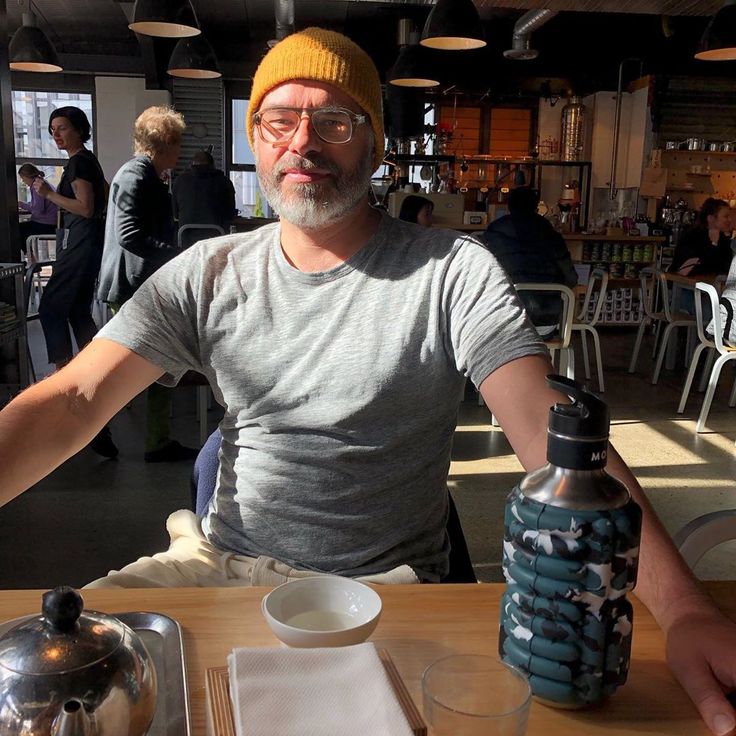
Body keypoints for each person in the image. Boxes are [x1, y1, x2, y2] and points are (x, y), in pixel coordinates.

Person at [1, 29, 736, 736]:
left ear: (377, 146)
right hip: (217, 563)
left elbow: (551, 437)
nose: (303, 142)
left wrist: (685, 611)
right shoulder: (208, 273)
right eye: (280, 119)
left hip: (383, 591)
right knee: (53, 684)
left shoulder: (451, 272)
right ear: (255, 139)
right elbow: (73, 399)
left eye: (335, 121)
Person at [97, 106, 197, 464]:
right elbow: (129, 235)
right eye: (179, 142)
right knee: (128, 368)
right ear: (167, 143)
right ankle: (99, 430)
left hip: (137, 286)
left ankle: (156, 440)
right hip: (130, 288)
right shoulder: (136, 175)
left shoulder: (144, 175)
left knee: (152, 367)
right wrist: (175, 254)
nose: (181, 150)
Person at [31, 106, 117, 458]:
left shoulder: (80, 162)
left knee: (52, 307)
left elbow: (84, 207)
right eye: (53, 129)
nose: (57, 134)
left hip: (80, 246)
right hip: (85, 244)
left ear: (79, 130)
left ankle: (67, 383)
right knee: (79, 313)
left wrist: (47, 193)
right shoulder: (86, 162)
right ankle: (92, 384)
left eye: (63, 127)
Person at [479, 186, 578, 336]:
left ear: (509, 206)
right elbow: (571, 278)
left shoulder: (493, 234)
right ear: (536, 206)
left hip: (503, 322)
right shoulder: (551, 234)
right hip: (546, 323)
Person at [172, 150, 237, 248]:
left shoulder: (180, 181)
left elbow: (175, 214)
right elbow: (230, 214)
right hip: (216, 240)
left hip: (186, 240)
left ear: (192, 164)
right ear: (213, 165)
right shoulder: (224, 182)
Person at [671, 197, 734, 277]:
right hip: (685, 286)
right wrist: (713, 244)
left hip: (713, 285)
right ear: (710, 218)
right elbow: (701, 267)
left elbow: (727, 267)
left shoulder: (723, 239)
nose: (730, 220)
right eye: (726, 216)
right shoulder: (692, 237)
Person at [17, 164, 57, 248]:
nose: (23, 181)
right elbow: (36, 204)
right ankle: (31, 256)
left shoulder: (36, 186)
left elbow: (38, 209)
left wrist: (22, 205)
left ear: (27, 176)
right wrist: (25, 205)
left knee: (17, 230)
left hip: (47, 225)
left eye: (23, 178)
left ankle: (31, 257)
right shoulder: (42, 182)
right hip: (53, 223)